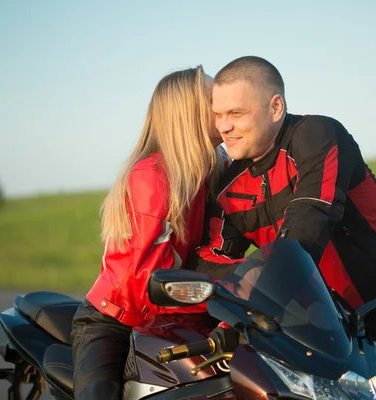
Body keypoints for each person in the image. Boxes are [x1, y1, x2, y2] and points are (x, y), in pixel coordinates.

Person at [188, 56, 376, 399]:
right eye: (218, 115)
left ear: (275, 107)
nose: (224, 127)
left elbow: (307, 226)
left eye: (236, 113)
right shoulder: (225, 187)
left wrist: (257, 279)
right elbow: (207, 262)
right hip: (323, 323)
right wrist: (242, 275)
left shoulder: (317, 135)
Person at [70, 65, 225, 400]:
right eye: (214, 98)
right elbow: (147, 284)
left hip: (170, 315)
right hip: (116, 320)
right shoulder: (153, 176)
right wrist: (223, 298)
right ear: (189, 112)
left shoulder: (211, 172)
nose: (225, 104)